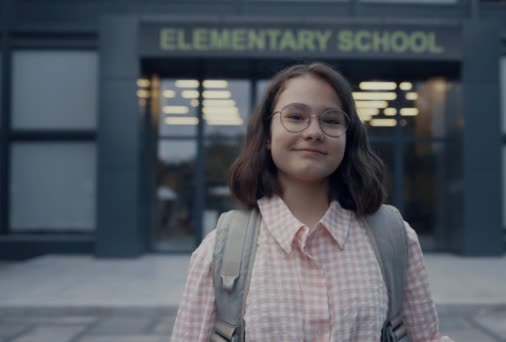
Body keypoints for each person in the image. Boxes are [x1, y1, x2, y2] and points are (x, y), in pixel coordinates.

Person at [171, 63, 453, 342]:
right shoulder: (220, 249)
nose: (314, 132)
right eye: (295, 116)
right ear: (267, 135)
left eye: (331, 120)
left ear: (347, 138)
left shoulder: (394, 237)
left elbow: (426, 337)